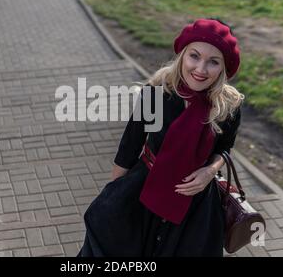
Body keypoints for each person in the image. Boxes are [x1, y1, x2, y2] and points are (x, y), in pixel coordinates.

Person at [77, 18, 245, 257]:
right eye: (194, 56)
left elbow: (225, 148)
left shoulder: (227, 106)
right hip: (144, 191)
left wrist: (210, 171)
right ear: (182, 55)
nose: (200, 69)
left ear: (223, 68)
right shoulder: (156, 95)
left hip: (195, 204)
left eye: (213, 62)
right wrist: (112, 194)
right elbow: (128, 149)